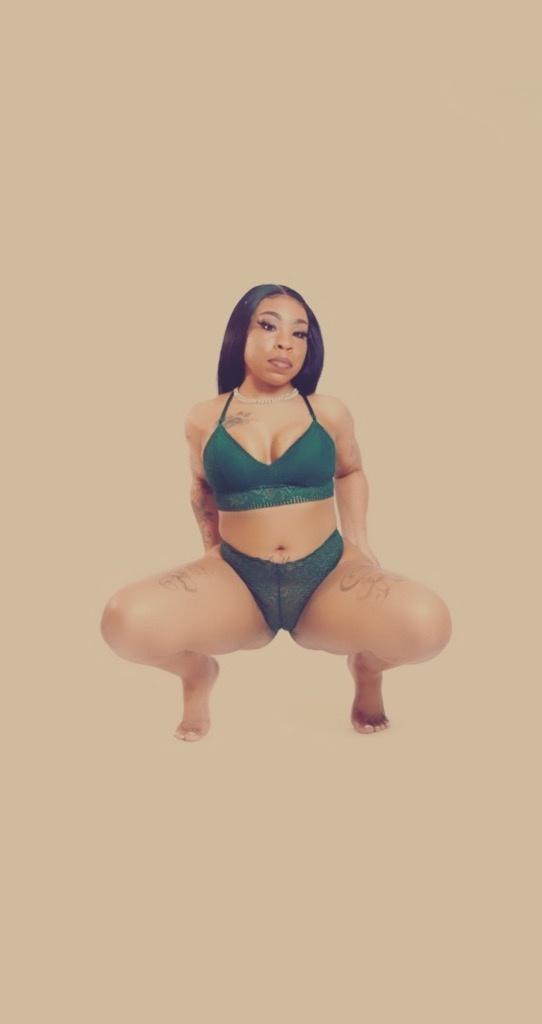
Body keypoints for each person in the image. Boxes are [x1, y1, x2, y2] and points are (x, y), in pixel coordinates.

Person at [100, 283, 452, 741]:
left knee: (428, 623)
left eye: (300, 333)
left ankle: (367, 669)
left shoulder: (328, 411)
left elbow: (350, 472)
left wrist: (360, 545)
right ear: (239, 334)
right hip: (238, 579)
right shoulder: (204, 417)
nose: (285, 342)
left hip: (327, 574)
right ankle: (197, 675)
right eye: (268, 326)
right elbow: (202, 488)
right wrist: (211, 551)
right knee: (124, 621)